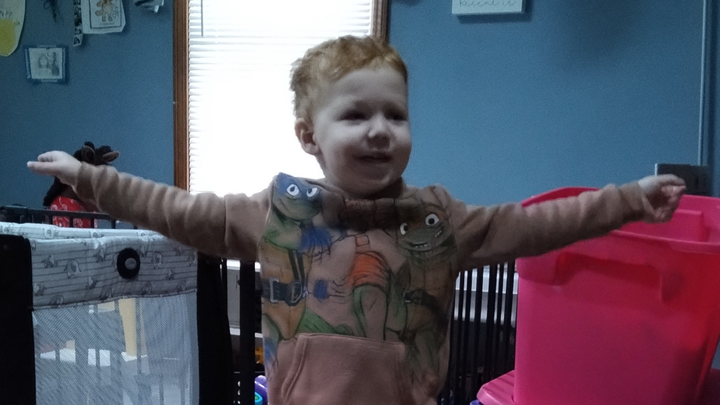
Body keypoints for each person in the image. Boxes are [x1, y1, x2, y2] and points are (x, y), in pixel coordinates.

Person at [27, 35, 685, 405]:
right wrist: (91, 180)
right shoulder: (277, 212)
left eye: (395, 115)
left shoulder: (437, 220)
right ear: (309, 135)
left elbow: (539, 224)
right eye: (356, 115)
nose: (379, 130)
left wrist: (628, 199)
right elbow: (177, 209)